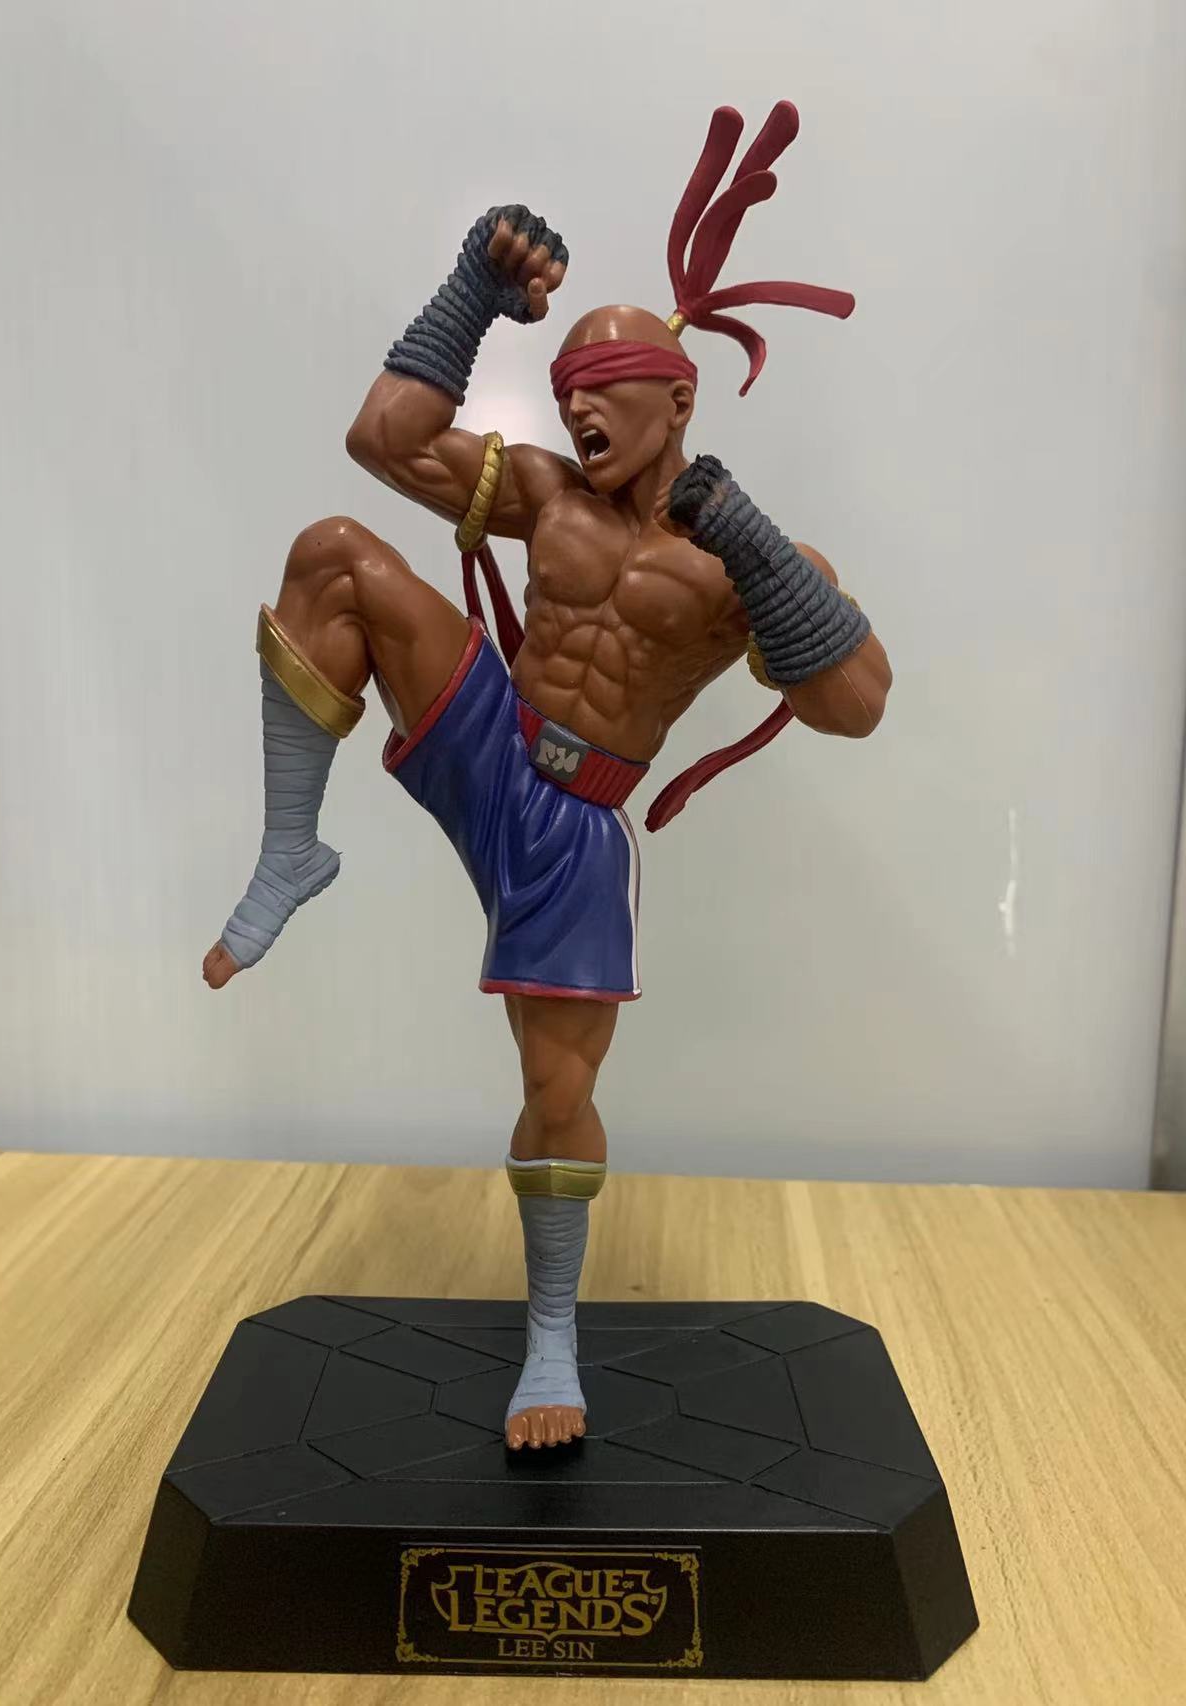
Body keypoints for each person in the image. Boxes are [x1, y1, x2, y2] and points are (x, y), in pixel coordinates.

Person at [202, 103, 892, 1452]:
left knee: (558, 1094)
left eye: (605, 385)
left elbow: (856, 704)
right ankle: (293, 846)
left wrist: (750, 539)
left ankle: (555, 1340)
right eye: (567, 385)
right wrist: (474, 292)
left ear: (677, 399)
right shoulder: (545, 494)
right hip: (489, 737)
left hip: (577, 826)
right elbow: (384, 439)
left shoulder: (737, 562)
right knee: (333, 553)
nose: (577, 406)